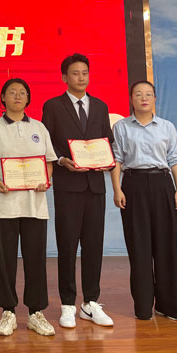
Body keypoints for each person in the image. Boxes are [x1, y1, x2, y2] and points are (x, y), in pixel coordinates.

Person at [0, 78, 57, 337]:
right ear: (3, 97)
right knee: (5, 261)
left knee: (36, 260)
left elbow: (48, 162)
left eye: (22, 92)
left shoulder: (39, 127)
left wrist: (45, 180)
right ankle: (8, 312)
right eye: (12, 92)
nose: (17, 96)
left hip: (34, 205)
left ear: (28, 98)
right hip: (3, 204)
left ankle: (36, 312)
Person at [41, 53, 115, 328]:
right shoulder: (53, 106)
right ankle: (67, 304)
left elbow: (107, 140)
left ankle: (91, 302)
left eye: (85, 72)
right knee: (68, 245)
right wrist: (61, 160)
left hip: (95, 185)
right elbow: (46, 143)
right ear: (64, 77)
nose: (81, 77)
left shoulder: (100, 106)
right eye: (75, 73)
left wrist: (107, 158)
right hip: (68, 185)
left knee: (94, 245)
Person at [110, 81, 177, 321]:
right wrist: (117, 189)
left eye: (148, 94)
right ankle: (143, 307)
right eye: (138, 94)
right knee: (139, 246)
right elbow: (116, 160)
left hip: (163, 184)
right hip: (133, 185)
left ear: (155, 98)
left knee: (166, 246)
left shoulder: (167, 127)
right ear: (131, 98)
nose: (144, 98)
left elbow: (175, 159)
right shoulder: (121, 127)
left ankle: (169, 305)